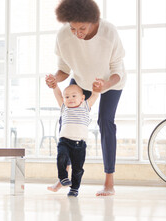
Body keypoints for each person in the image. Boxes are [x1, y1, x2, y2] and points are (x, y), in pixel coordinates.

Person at [45, 0, 126, 196]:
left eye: (82, 28)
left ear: (93, 20)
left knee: (105, 121)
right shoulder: (64, 36)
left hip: (110, 82)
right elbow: (63, 70)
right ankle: (63, 176)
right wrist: (54, 79)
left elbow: (117, 72)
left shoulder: (109, 33)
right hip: (81, 80)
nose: (77, 33)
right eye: (73, 28)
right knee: (66, 118)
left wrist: (103, 86)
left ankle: (109, 183)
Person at [47, 82, 99, 197]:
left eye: (74, 96)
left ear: (82, 98)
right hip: (64, 141)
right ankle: (63, 177)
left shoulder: (85, 106)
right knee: (62, 157)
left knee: (78, 168)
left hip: (80, 143)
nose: (70, 99)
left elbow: (95, 96)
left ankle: (74, 188)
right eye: (67, 97)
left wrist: (96, 89)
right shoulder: (64, 107)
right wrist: (55, 86)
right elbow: (58, 95)